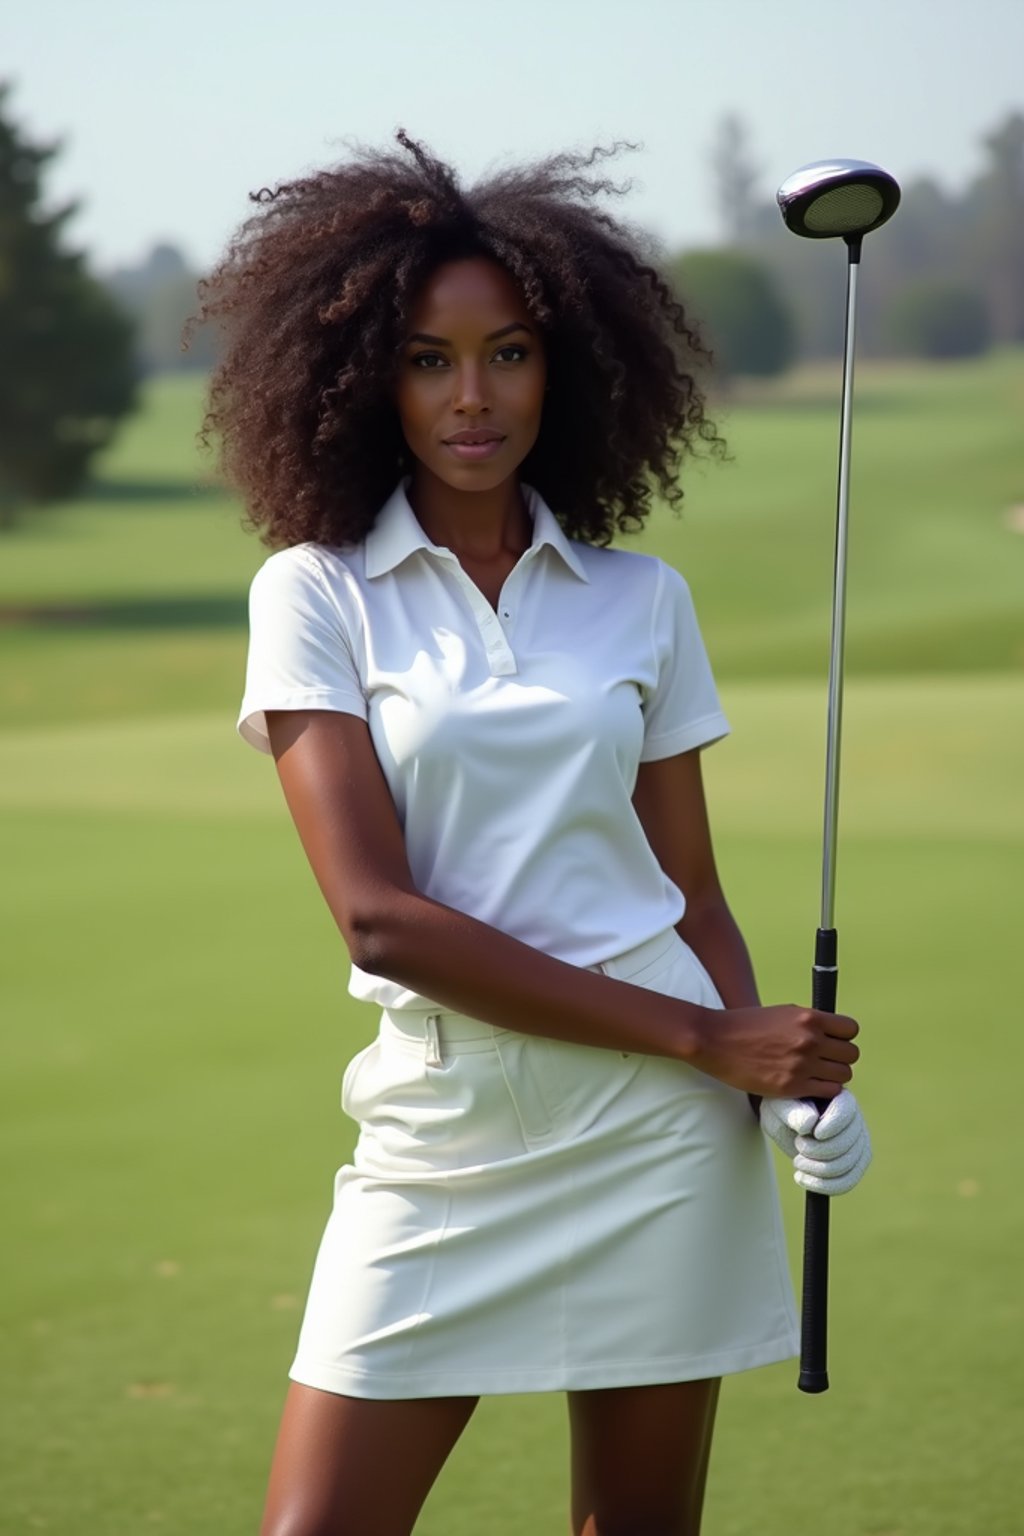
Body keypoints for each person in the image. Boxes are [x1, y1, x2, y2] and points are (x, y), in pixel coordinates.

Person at [198, 131, 871, 1536]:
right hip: (447, 1124)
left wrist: (775, 1077)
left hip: (660, 1140)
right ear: (368, 378)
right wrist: (703, 1039)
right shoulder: (317, 595)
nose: (471, 397)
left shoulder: (642, 597)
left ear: (563, 367)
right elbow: (378, 918)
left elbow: (691, 894)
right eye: (430, 360)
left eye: (507, 352)